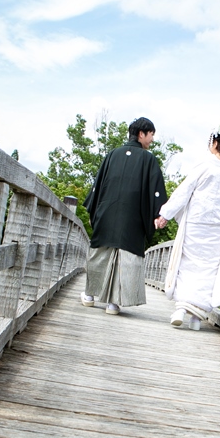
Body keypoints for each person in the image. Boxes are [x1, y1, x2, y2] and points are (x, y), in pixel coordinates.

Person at [155, 125, 220, 330]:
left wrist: (166, 214)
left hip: (197, 224)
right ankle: (197, 319)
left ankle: (181, 308)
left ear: (215, 143)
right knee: (209, 270)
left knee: (188, 265)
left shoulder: (205, 165)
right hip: (219, 227)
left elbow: (184, 190)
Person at [81, 117, 169, 315]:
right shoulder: (149, 159)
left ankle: (89, 295)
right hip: (133, 216)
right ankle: (114, 303)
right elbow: (156, 191)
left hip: (106, 211)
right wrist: (158, 214)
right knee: (127, 257)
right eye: (151, 134)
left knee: (100, 252)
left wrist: (93, 210)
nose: (152, 139)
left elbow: (98, 184)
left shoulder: (113, 154)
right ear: (141, 134)